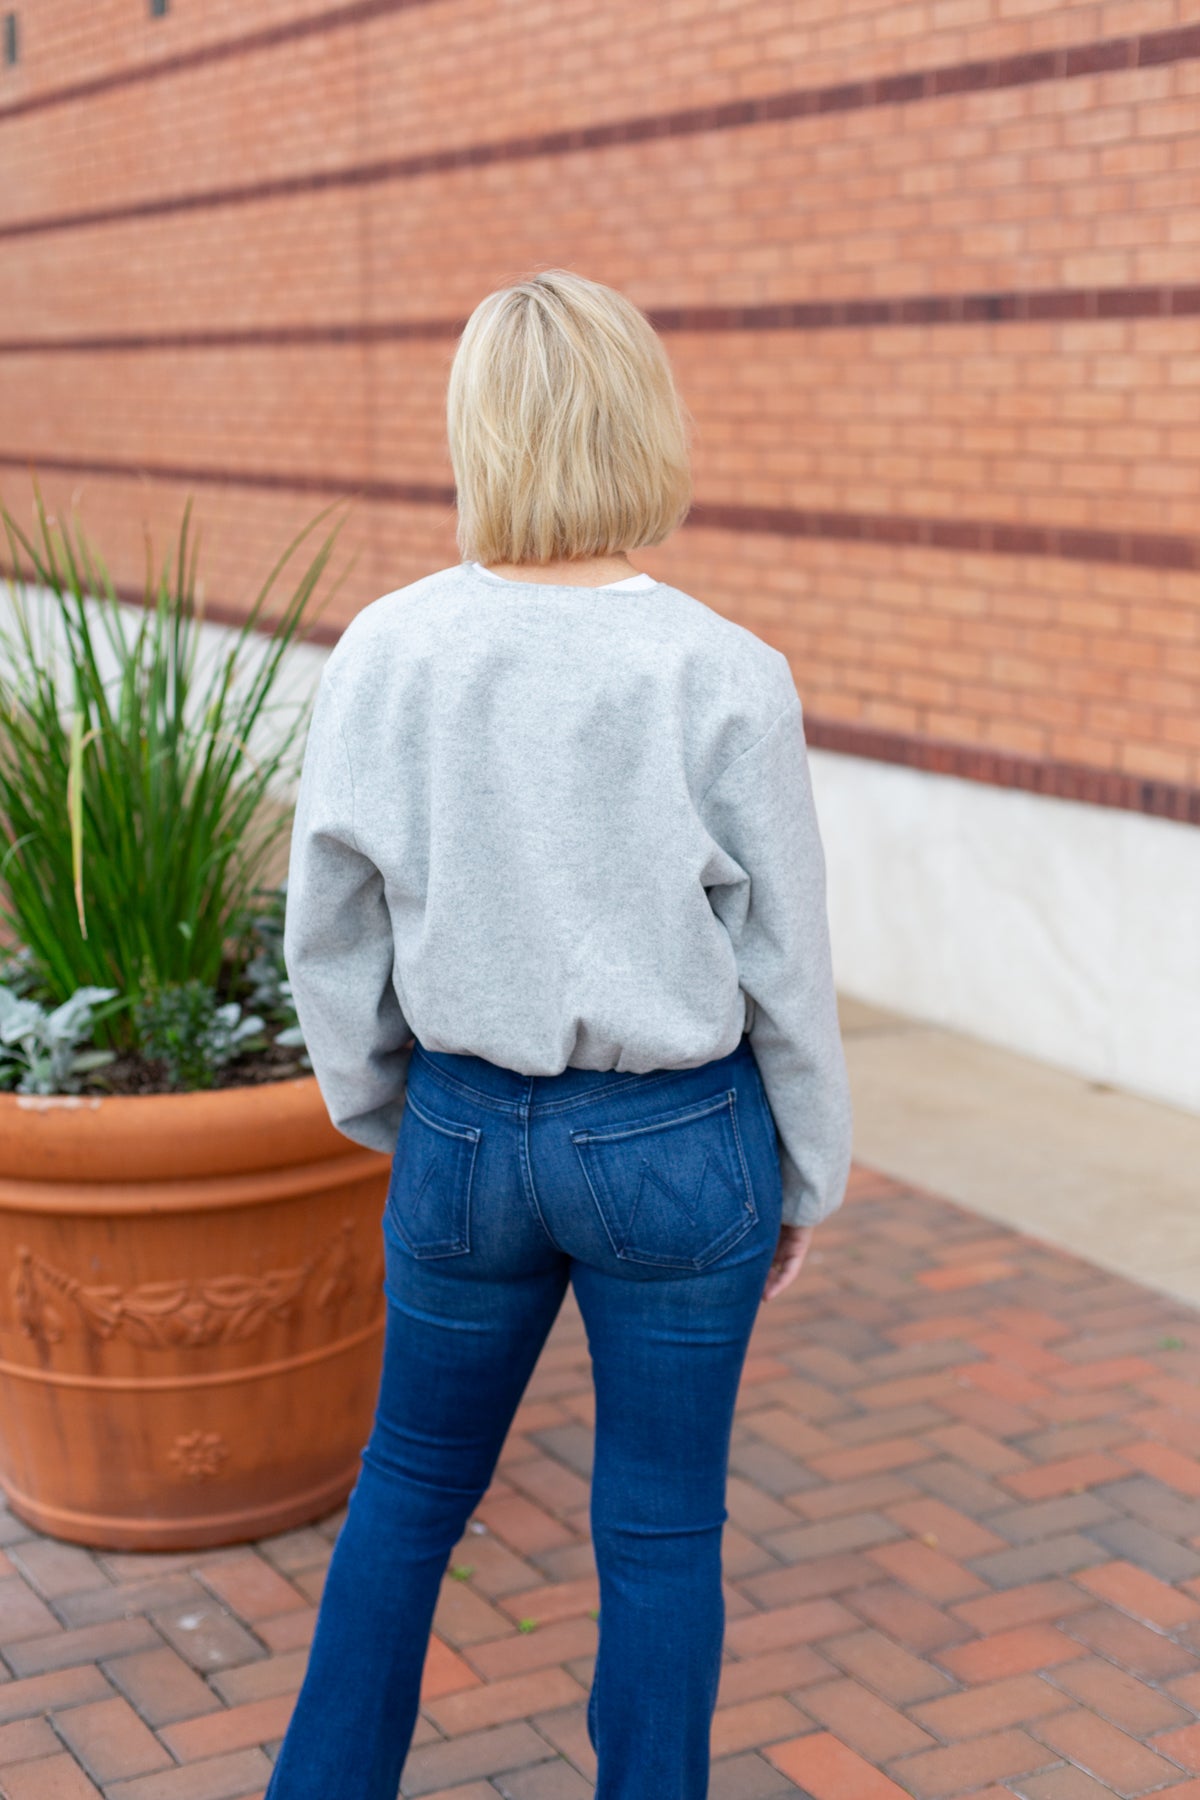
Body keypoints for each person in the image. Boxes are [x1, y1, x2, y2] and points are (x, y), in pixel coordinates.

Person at [270, 269, 854, 1800]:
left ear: (479, 429)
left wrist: (392, 1108)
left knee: (405, 1497)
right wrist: (809, 1170)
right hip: (677, 1146)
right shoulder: (723, 671)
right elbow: (785, 962)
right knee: (661, 1534)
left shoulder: (389, 648)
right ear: (642, 422)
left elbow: (329, 927)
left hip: (462, 1128)